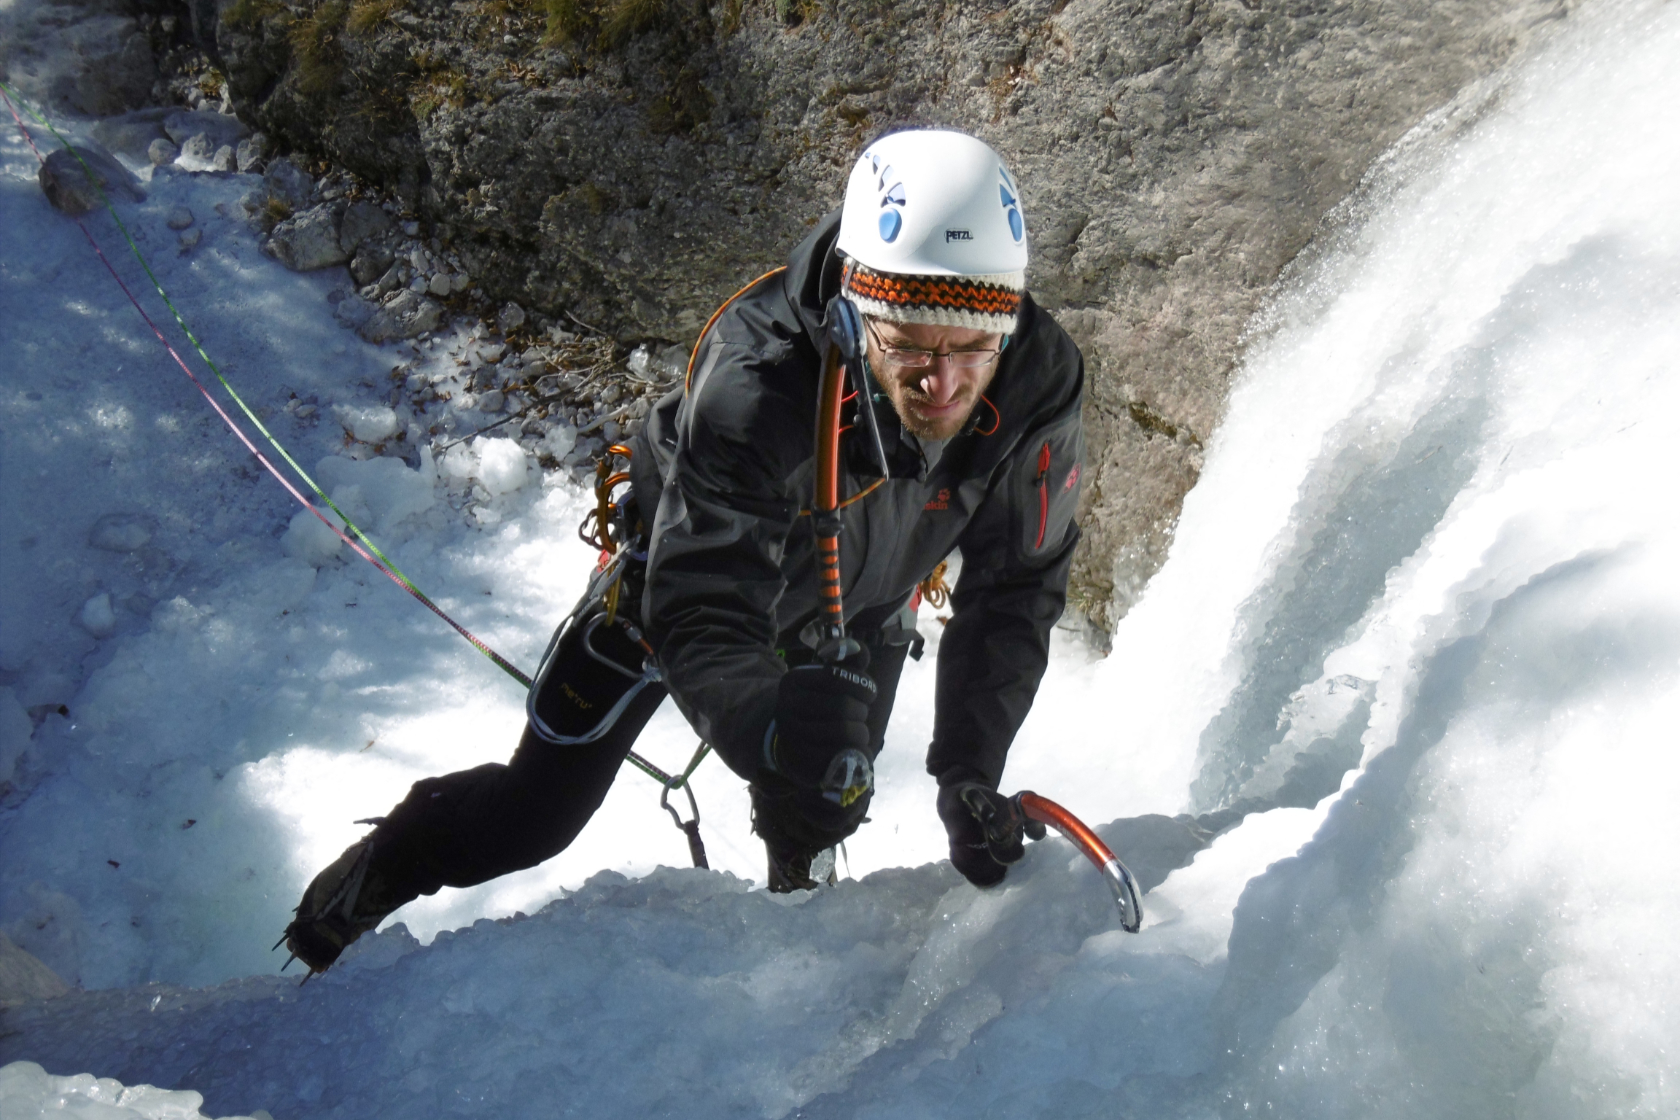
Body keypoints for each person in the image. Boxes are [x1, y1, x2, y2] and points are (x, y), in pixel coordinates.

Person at [283, 128, 1086, 973]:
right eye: (912, 342)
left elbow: (1016, 584)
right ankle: (379, 873)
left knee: (814, 819)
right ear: (856, 306)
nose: (944, 381)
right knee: (531, 820)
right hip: (667, 598)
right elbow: (703, 597)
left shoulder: (1038, 380)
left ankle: (784, 1017)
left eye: (971, 345)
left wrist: (968, 768)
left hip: (856, 609)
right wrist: (771, 739)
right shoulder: (762, 380)